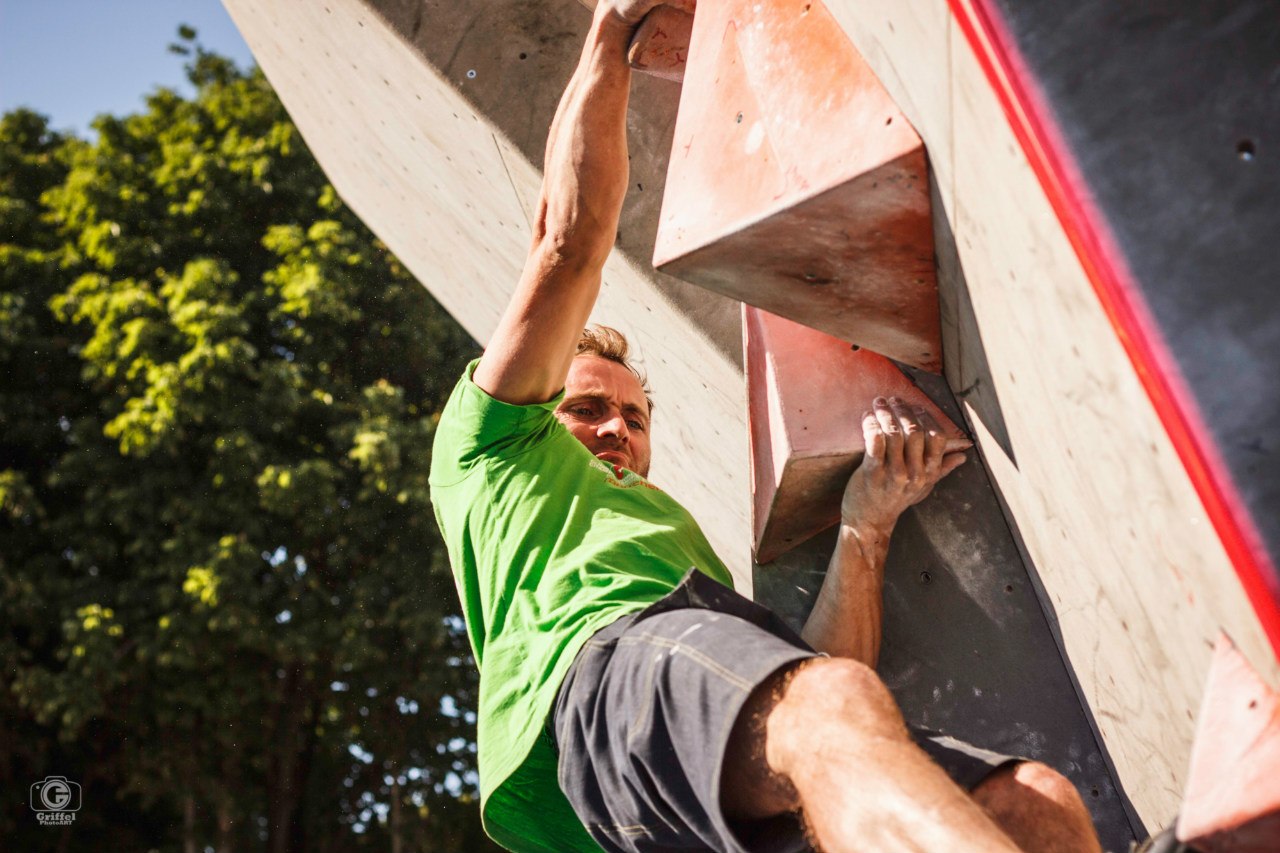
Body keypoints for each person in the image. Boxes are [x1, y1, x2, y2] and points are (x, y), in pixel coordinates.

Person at [428, 1, 1104, 851]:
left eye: (633, 417)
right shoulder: (486, 449)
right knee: (820, 710)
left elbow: (827, 674)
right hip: (595, 677)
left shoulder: (672, 545)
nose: (616, 431)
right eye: (588, 408)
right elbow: (567, 244)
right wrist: (608, 34)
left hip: (676, 784)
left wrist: (865, 522)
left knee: (1032, 806)